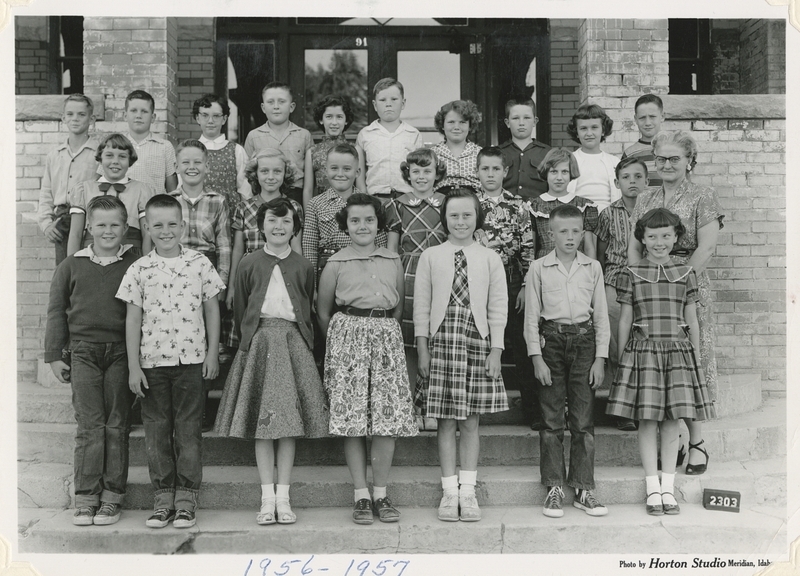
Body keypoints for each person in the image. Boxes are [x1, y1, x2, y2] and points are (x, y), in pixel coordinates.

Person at [215, 198, 329, 525]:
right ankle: (267, 499)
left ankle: (284, 497)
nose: (279, 228)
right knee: (263, 427)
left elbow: (306, 302)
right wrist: (249, 340)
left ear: (295, 228)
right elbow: (240, 309)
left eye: (286, 222)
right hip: (261, 340)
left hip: (293, 342)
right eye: (272, 222)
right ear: (261, 225)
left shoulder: (304, 266)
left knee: (288, 425)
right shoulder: (249, 263)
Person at [116, 194, 225, 529]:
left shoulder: (200, 263)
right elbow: (132, 320)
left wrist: (212, 353)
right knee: (157, 431)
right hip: (151, 364)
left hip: (191, 361)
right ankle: (163, 498)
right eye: (157, 225)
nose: (165, 231)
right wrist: (134, 366)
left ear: (183, 226)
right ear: (146, 226)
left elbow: (212, 310)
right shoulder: (138, 269)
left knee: (188, 430)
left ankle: (186, 499)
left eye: (172, 224)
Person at [317, 194, 418, 525]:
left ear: (378, 224)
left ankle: (381, 493)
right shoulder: (336, 262)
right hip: (348, 339)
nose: (363, 226)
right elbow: (323, 312)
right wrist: (343, 338)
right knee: (352, 420)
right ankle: (361, 495)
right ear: (346, 225)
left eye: (369, 220)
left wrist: (383, 329)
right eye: (355, 220)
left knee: (386, 421)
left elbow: (399, 307)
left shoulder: (392, 259)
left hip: (386, 336)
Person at [606, 208, 715, 516]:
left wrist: (694, 354)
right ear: (642, 238)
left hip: (678, 354)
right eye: (652, 236)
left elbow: (691, 318)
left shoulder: (685, 273)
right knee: (647, 420)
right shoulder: (632, 273)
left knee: (671, 422)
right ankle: (652, 487)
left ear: (676, 237)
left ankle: (669, 488)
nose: (659, 242)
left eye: (666, 235)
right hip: (644, 352)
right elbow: (626, 317)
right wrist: (623, 351)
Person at [628, 130, 724, 476]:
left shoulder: (703, 196)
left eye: (674, 159)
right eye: (661, 159)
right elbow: (634, 247)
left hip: (687, 287)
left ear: (689, 161)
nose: (667, 165)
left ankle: (696, 440)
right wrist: (640, 281)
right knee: (658, 366)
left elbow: (706, 248)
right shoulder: (645, 197)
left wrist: (677, 280)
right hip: (649, 290)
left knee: (688, 365)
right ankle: (673, 442)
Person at [414, 189, 508, 522]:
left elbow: (497, 307)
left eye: (467, 215)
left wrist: (496, 349)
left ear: (477, 218)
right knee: (445, 421)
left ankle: (467, 492)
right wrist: (422, 347)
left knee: (470, 422)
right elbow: (422, 306)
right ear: (444, 219)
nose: (461, 222)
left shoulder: (489, 257)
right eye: (454, 215)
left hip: (476, 340)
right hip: (442, 340)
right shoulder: (431, 256)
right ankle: (448, 492)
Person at [45, 195, 139, 526]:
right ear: (89, 227)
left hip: (121, 352)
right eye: (101, 224)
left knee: (117, 423)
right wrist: (55, 355)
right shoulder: (71, 265)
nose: (108, 230)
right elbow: (57, 310)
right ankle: (86, 498)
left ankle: (112, 497)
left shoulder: (135, 264)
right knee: (90, 424)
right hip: (83, 352)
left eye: (115, 224)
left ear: (126, 227)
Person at [524, 202, 610, 519]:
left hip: (585, 342)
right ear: (552, 232)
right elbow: (531, 317)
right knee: (551, 421)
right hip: (552, 342)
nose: (570, 237)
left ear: (582, 231)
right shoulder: (538, 268)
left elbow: (601, 316)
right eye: (563, 231)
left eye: (576, 231)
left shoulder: (593, 267)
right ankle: (554, 487)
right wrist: (536, 357)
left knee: (583, 420)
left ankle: (584, 488)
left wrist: (600, 359)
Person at [473, 147, 541, 430]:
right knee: (479, 340)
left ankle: (533, 410)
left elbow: (528, 246)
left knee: (520, 341)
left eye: (495, 169)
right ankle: (476, 409)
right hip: (478, 280)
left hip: (512, 279)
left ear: (505, 172)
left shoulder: (519, 205)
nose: (490, 174)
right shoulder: (470, 204)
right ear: (477, 172)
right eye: (485, 169)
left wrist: (526, 284)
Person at [169, 139, 233, 423]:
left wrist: (221, 283)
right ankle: (176, 406)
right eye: (186, 162)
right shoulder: (168, 200)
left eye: (198, 162)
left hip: (206, 271)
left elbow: (224, 245)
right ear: (177, 167)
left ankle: (202, 405)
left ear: (207, 167)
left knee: (206, 336)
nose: (192, 167)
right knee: (178, 332)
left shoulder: (217, 201)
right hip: (175, 269)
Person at [385, 148, 448, 431]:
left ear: (437, 173)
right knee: (410, 341)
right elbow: (391, 249)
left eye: (427, 171)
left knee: (436, 339)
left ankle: (432, 405)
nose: (421, 177)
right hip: (408, 272)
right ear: (407, 175)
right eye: (416, 172)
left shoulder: (446, 203)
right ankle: (410, 405)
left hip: (440, 272)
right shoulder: (397, 205)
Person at [596, 156, 648, 432]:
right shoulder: (608, 214)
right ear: (617, 182)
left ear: (646, 181)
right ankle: (622, 409)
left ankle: (646, 405)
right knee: (618, 346)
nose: (632, 182)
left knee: (644, 345)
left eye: (638, 177)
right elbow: (602, 252)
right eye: (626, 177)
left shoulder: (655, 210)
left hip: (647, 287)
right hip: (615, 284)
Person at [227, 148, 304, 330]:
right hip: (251, 276)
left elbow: (296, 247)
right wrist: (232, 287)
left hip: (283, 274)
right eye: (264, 171)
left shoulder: (293, 207)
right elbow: (237, 250)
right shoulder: (244, 207)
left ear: (285, 174)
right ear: (255, 174)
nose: (271, 176)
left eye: (277, 171)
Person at [303, 142, 387, 283]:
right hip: (327, 270)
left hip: (364, 268)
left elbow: (380, 243)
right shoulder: (315, 204)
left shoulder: (369, 204)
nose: (340, 174)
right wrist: (313, 287)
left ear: (357, 172)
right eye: (334, 168)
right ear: (325, 170)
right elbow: (309, 247)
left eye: (347, 169)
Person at [67, 133, 154, 257]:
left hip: (130, 254)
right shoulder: (84, 189)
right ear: (100, 158)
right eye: (109, 155)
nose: (115, 162)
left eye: (122, 157)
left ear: (130, 160)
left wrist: (147, 263)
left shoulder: (141, 190)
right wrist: (72, 265)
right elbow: (75, 233)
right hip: (92, 254)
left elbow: (147, 234)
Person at [38, 93, 99, 266]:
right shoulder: (55, 155)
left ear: (91, 119)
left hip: (90, 219)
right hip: (63, 219)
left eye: (81, 114)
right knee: (65, 272)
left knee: (89, 270)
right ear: (63, 118)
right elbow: (46, 193)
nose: (75, 119)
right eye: (70, 114)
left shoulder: (99, 153)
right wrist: (46, 224)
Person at [243, 82, 312, 207]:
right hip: (263, 195)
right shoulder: (253, 136)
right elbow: (248, 175)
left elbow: (309, 178)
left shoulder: (304, 135)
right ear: (263, 108)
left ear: (291, 107)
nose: (276, 106)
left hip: (295, 195)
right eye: (270, 102)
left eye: (281, 101)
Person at [355, 78, 423, 201]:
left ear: (403, 103)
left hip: (407, 196)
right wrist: (363, 193)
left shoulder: (413, 134)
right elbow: (359, 170)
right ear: (375, 105)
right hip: (375, 197)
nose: (388, 104)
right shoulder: (365, 134)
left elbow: (420, 168)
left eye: (394, 99)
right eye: (382, 100)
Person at [529, 148, 599, 259]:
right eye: (554, 172)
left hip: (577, 266)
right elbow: (532, 246)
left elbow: (589, 247)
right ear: (546, 173)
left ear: (571, 173)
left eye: (564, 172)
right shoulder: (534, 206)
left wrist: (591, 272)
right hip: (545, 266)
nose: (559, 178)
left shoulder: (584, 205)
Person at [192, 93, 252, 214]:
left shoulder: (236, 150)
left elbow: (245, 189)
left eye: (216, 116)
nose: (210, 121)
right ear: (198, 118)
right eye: (205, 115)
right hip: (197, 212)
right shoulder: (190, 149)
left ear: (224, 119)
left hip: (229, 212)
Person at [121, 89, 178, 194]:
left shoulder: (164, 146)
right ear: (125, 116)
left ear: (153, 117)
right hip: (122, 207)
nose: (138, 115)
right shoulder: (115, 145)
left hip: (155, 207)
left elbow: (172, 189)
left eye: (144, 111)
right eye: (133, 110)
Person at [565, 103, 620, 212]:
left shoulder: (615, 162)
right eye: (583, 128)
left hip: (608, 219)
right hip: (577, 219)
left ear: (603, 130)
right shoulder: (569, 160)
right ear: (576, 132)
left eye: (594, 127)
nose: (589, 133)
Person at [303, 95, 353, 206]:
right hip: (322, 212)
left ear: (346, 120)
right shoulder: (312, 152)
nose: (334, 122)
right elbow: (308, 190)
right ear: (321, 119)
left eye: (339, 117)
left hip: (350, 211)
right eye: (329, 117)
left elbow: (361, 187)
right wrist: (309, 220)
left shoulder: (354, 150)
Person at [498, 96, 552, 199]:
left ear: (535, 121)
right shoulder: (498, 153)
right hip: (505, 211)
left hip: (538, 211)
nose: (521, 123)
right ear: (507, 122)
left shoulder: (547, 153)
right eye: (515, 118)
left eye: (527, 118)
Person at [431, 100, 482, 194]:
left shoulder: (480, 153)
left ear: (470, 126)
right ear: (442, 125)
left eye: (462, 122)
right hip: (440, 203)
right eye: (451, 122)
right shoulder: (432, 154)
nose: (456, 127)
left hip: (473, 202)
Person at [621, 94, 665, 190]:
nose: (648, 123)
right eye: (642, 118)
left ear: (662, 117)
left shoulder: (675, 149)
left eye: (652, 116)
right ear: (636, 119)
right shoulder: (629, 155)